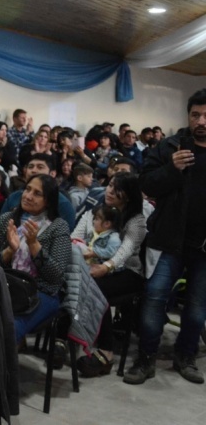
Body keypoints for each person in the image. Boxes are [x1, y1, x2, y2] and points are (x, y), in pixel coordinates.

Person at [124, 88, 206, 385]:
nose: (201, 120)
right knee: (154, 299)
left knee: (197, 309)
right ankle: (145, 359)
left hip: (204, 247)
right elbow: (146, 184)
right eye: (196, 114)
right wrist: (172, 169)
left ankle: (186, 356)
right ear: (188, 115)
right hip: (170, 240)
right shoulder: (169, 146)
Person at [70, 173, 146, 378]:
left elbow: (126, 250)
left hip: (129, 272)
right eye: (109, 185)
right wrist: (82, 249)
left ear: (128, 195)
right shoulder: (99, 210)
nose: (109, 191)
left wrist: (108, 266)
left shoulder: (136, 220)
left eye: (116, 188)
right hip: (97, 264)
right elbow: (77, 235)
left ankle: (106, 351)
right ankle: (67, 338)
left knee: (96, 289)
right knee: (72, 280)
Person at [0, 175, 72, 341]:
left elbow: (56, 277)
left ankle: (2, 366)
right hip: (6, 285)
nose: (28, 196)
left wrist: (34, 246)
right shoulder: (7, 220)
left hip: (40, 291)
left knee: (8, 327)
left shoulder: (58, 226)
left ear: (48, 200)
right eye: (27, 189)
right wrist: (9, 251)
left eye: (37, 193)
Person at [1, 154, 77, 231]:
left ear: (52, 173)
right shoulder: (14, 196)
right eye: (30, 167)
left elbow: (65, 235)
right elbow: (1, 227)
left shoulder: (63, 203)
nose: (33, 170)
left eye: (40, 167)